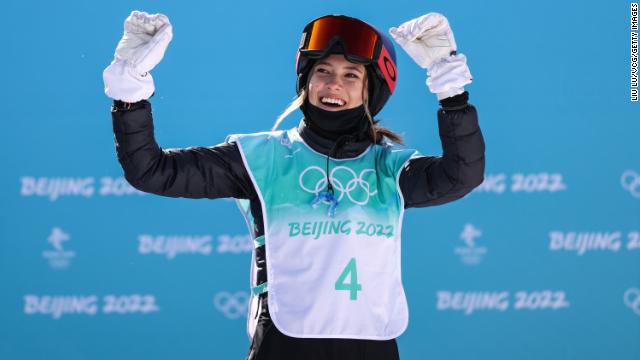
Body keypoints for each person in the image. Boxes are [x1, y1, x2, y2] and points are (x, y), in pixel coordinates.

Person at [103, 10, 485, 360]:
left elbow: (461, 174)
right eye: (323, 72)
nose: (334, 84)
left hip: (372, 348)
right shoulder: (258, 158)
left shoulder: (390, 168)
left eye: (351, 75)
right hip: (283, 347)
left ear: (371, 90)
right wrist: (130, 94)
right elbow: (151, 170)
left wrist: (452, 94)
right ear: (306, 81)